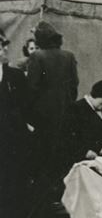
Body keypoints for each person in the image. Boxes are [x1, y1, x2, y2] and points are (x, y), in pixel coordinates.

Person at [26, 21, 79, 195]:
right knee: (60, 159)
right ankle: (59, 197)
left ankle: (43, 201)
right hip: (65, 116)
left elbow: (32, 88)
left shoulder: (37, 57)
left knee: (42, 160)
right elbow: (74, 86)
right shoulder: (69, 56)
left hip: (43, 118)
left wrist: (31, 116)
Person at [0, 32, 32, 218]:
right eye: (0, 46)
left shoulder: (15, 76)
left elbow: (25, 106)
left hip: (11, 138)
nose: (3, 49)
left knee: (11, 177)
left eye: (3, 46)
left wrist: (23, 125)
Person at [61, 80, 102, 171]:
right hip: (82, 162)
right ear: (96, 95)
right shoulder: (75, 109)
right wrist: (84, 151)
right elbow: (66, 138)